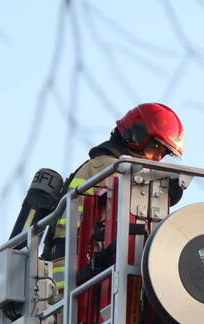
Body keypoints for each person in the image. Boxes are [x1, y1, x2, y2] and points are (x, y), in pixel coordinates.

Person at [44, 103, 186, 294]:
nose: (157, 160)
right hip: (72, 274)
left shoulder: (114, 167)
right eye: (156, 150)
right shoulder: (110, 167)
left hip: (82, 270)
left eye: (163, 155)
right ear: (136, 136)